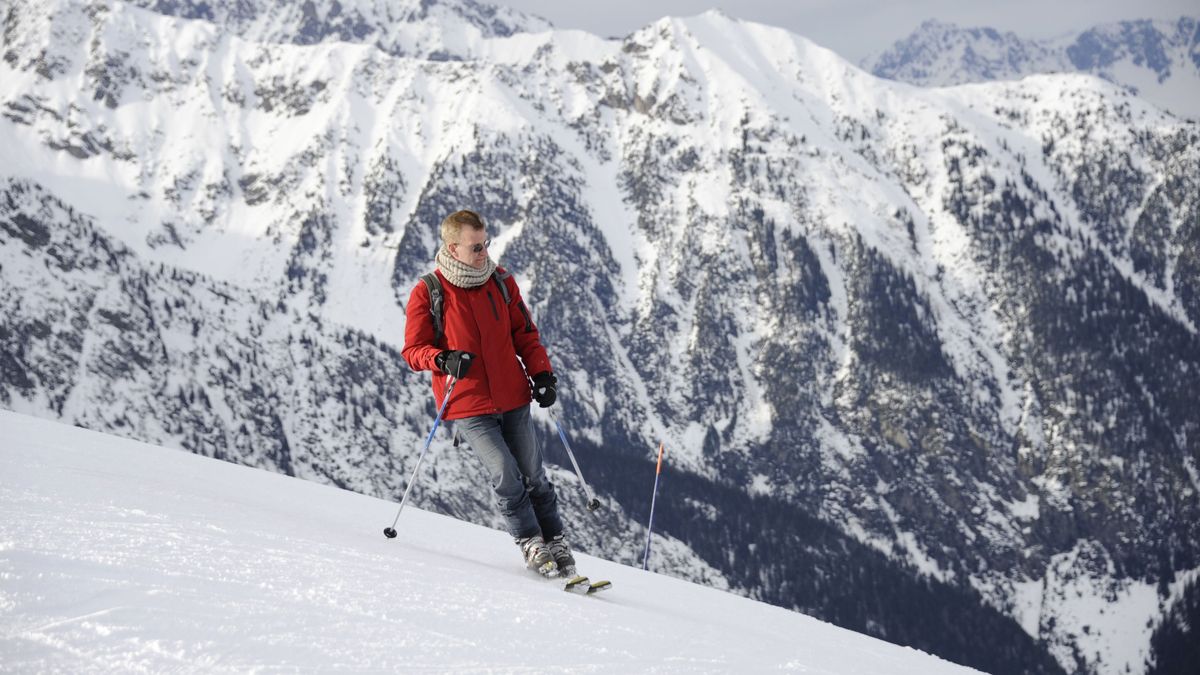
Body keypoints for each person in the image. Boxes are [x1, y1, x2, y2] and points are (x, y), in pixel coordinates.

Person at [401, 209, 575, 577]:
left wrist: (542, 374)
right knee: (506, 473)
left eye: (486, 244)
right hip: (468, 404)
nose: (485, 253)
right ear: (453, 248)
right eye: (476, 247)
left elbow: (525, 335)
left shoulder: (501, 282)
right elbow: (413, 351)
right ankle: (531, 542)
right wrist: (442, 359)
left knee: (533, 472)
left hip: (513, 396)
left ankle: (556, 540)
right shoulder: (429, 292)